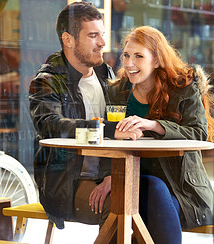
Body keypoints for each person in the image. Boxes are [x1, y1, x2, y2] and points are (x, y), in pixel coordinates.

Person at [28, 2, 142, 231]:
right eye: (93, 36)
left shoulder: (107, 75)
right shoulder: (47, 81)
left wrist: (113, 177)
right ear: (68, 40)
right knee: (119, 208)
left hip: (110, 174)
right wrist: (107, 129)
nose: (103, 43)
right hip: (66, 182)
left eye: (102, 34)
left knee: (153, 200)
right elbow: (51, 125)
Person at [109, 26, 214, 244]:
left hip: (181, 190)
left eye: (139, 56)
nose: (129, 63)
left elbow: (198, 133)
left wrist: (156, 125)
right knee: (137, 199)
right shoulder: (117, 91)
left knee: (152, 191)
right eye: (126, 55)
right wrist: (107, 177)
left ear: (157, 60)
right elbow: (106, 135)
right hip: (130, 180)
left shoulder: (183, 88)